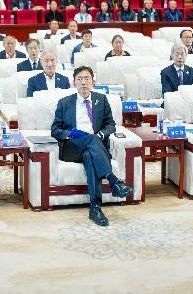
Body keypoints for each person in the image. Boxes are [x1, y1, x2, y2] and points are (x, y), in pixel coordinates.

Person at [51, 65, 134, 226]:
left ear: (93, 82)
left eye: (87, 79)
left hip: (95, 148)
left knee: (90, 153)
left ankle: (95, 207)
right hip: (72, 147)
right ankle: (113, 180)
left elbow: (111, 124)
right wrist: (71, 134)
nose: (83, 82)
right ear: (74, 83)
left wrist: (101, 135)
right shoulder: (64, 103)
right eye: (80, 79)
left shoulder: (101, 100)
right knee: (92, 140)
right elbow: (55, 130)